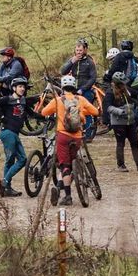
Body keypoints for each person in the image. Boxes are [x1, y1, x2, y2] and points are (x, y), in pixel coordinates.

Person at [40, 74, 100, 206]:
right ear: (74, 87)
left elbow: (43, 112)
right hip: (77, 136)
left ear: (62, 86)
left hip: (62, 135)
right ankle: (65, 183)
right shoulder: (81, 99)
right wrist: (82, 114)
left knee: (65, 165)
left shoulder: (57, 100)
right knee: (73, 161)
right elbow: (95, 112)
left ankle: (67, 196)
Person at [0, 76, 30, 197]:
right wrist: (1, 117)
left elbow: (31, 113)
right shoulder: (8, 99)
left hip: (15, 134)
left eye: (24, 87)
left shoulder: (23, 101)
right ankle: (5, 183)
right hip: (7, 133)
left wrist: (46, 118)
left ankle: (6, 187)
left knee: (18, 160)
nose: (22, 89)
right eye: (20, 86)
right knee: (15, 159)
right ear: (14, 88)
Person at [103, 71, 138, 172]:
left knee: (134, 142)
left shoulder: (126, 90)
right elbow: (108, 107)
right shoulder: (110, 92)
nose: (124, 84)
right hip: (118, 123)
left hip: (130, 122)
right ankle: (121, 165)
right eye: (122, 83)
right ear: (117, 83)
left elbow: (137, 94)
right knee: (120, 144)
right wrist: (120, 111)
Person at [62, 39, 98, 136]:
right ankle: (73, 130)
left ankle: (88, 135)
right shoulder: (73, 60)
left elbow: (93, 78)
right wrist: (71, 62)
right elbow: (63, 72)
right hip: (73, 90)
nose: (78, 52)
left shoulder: (89, 62)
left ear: (85, 50)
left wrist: (83, 89)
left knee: (86, 111)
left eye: (80, 50)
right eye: (77, 50)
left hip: (85, 90)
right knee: (72, 110)